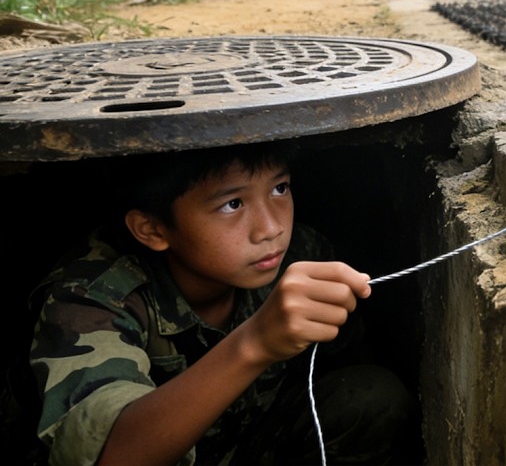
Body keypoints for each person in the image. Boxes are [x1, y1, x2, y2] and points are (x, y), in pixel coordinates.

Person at [26, 142, 415, 464]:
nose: (272, 228)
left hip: (241, 446)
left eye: (280, 188)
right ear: (153, 229)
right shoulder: (94, 296)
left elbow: (350, 358)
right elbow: (112, 455)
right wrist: (255, 343)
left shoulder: (300, 255)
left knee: (371, 397)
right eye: (232, 204)